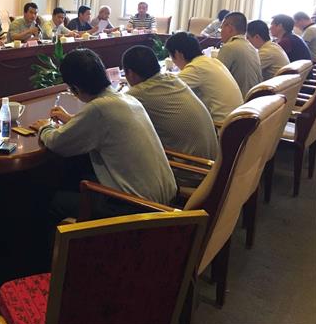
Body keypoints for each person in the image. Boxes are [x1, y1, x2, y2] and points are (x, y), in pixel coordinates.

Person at [30, 48, 177, 221]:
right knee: (78, 174)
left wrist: (45, 127)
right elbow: (101, 126)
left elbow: (57, 142)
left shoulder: (99, 108)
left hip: (136, 209)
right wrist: (73, 120)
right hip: (165, 200)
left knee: (52, 199)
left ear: (75, 88)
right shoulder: (126, 99)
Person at [122, 45, 218, 161]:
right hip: (214, 159)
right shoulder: (173, 79)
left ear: (130, 73)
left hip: (192, 167)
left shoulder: (139, 93)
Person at [165, 32, 243, 124]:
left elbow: (167, 88)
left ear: (178, 54)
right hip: (237, 120)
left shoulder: (196, 68)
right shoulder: (211, 61)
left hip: (222, 125)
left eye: (171, 56)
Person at [217, 12, 262, 97]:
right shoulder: (251, 47)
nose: (220, 32)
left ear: (229, 28)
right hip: (253, 99)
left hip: (239, 101)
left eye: (221, 28)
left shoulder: (229, 47)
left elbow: (216, 77)